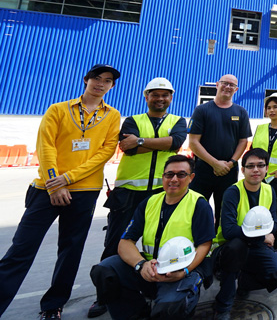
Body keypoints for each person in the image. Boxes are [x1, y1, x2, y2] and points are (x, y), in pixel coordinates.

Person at [0, 64, 121, 320]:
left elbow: (105, 153)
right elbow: (46, 147)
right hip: (47, 189)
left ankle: (53, 306)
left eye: (107, 80)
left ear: (111, 86)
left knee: (70, 251)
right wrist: (55, 183)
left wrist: (68, 179)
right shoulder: (58, 109)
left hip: (84, 191)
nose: (100, 83)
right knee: (20, 250)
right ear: (86, 80)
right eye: (96, 78)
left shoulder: (112, 116)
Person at [88, 77, 187, 318]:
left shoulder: (178, 121)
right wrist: (159, 144)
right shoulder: (133, 120)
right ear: (146, 96)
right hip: (129, 193)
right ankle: (105, 295)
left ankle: (156, 284)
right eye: (155, 94)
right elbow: (128, 147)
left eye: (165, 95)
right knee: (117, 242)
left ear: (171, 98)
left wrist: (141, 141)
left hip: (163, 192)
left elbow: (175, 142)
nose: (160, 99)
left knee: (161, 241)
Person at [90, 154, 214, 320]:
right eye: (169, 174)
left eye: (181, 174)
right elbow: (125, 242)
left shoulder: (199, 204)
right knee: (104, 271)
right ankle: (135, 313)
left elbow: (205, 245)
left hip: (180, 270)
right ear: (163, 177)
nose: (174, 179)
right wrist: (141, 265)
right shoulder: (150, 202)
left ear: (191, 178)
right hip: (150, 267)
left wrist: (184, 271)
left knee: (169, 310)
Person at [208, 148, 277, 320]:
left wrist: (266, 235)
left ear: (266, 169)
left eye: (260, 165)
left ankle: (245, 281)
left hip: (256, 245)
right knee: (235, 249)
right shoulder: (233, 192)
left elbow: (274, 223)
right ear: (242, 170)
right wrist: (262, 236)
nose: (256, 170)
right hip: (229, 246)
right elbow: (229, 230)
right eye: (250, 166)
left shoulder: (269, 190)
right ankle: (223, 305)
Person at [188, 74, 251, 226]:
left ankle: (220, 240)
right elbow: (193, 142)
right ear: (217, 85)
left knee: (225, 213)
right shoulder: (202, 110)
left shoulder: (241, 112)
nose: (227, 87)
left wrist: (231, 162)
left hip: (228, 172)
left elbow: (243, 141)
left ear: (236, 89)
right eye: (225, 83)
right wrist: (215, 163)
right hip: (203, 170)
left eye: (232, 85)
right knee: (196, 210)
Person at [251, 92, 277, 258]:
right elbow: (252, 152)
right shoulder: (260, 128)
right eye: (269, 107)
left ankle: (276, 257)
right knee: (256, 218)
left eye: (275, 107)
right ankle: (258, 255)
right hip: (258, 179)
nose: (271, 110)